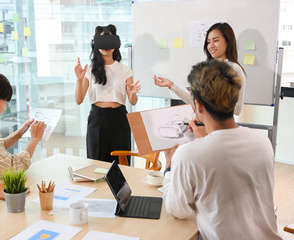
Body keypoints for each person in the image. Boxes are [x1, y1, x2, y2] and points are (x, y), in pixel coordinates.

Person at [162, 60, 281, 240]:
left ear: (198, 105)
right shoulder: (262, 143)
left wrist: (169, 168)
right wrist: (205, 139)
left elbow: (176, 209)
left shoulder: (189, 155)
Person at [74, 24, 141, 163]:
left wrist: (133, 92)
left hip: (119, 119)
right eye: (102, 40)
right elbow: (79, 100)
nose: (106, 45)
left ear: (116, 43)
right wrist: (79, 80)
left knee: (122, 165)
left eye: (110, 40)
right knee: (96, 164)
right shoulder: (90, 69)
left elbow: (133, 101)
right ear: (95, 44)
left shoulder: (124, 69)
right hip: (97, 119)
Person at [154, 22, 246, 116]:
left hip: (221, 127)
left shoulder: (235, 69)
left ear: (228, 41)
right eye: (208, 42)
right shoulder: (206, 68)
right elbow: (196, 103)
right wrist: (171, 85)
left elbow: (237, 110)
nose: (211, 45)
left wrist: (210, 100)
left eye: (216, 40)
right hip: (204, 125)